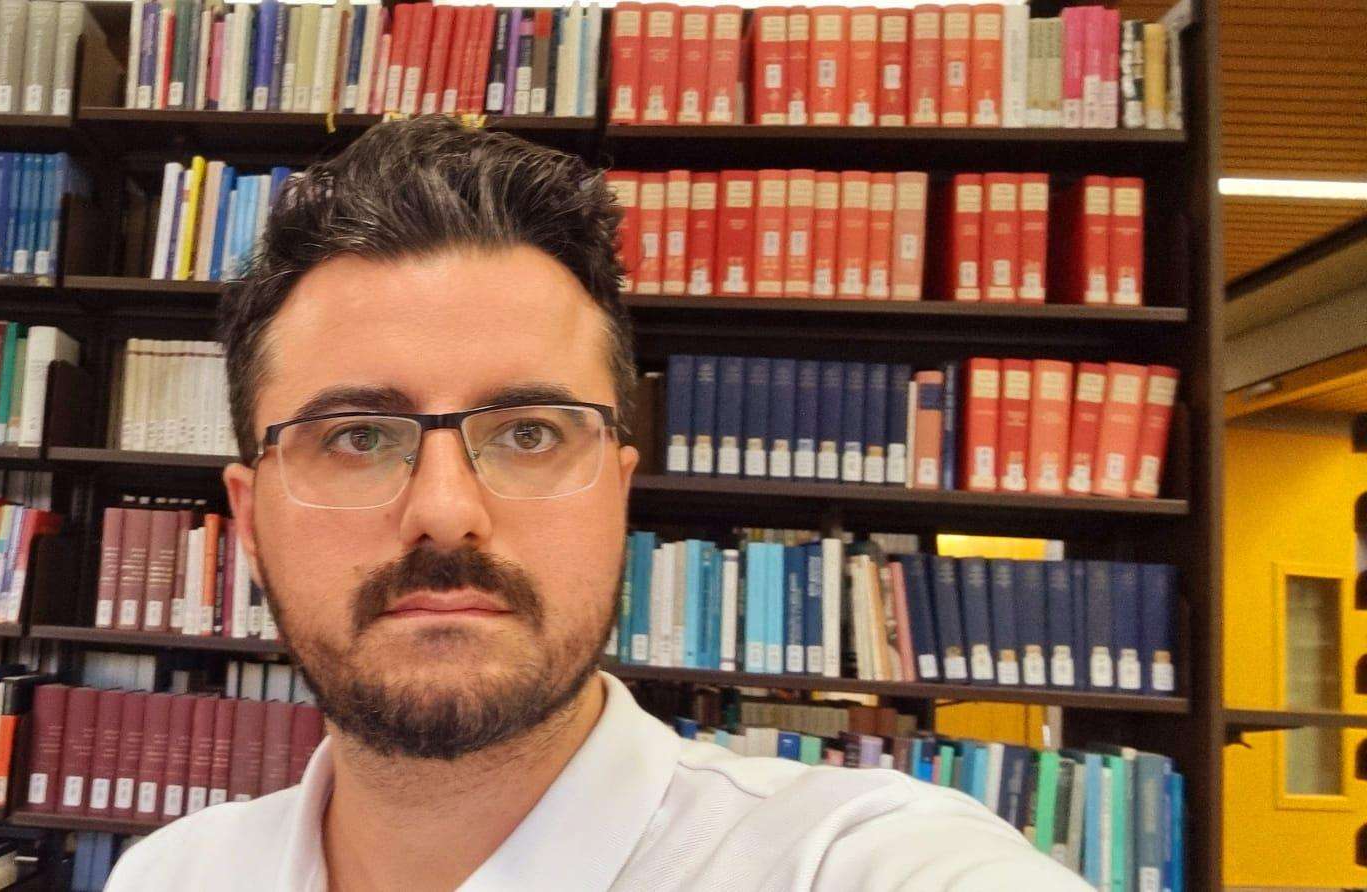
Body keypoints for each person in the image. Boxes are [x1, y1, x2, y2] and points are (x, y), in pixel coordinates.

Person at [104, 116, 1089, 892]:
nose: (445, 510)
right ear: (250, 522)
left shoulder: (847, 861)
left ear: (618, 493)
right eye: (357, 437)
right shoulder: (171, 874)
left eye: (530, 433)